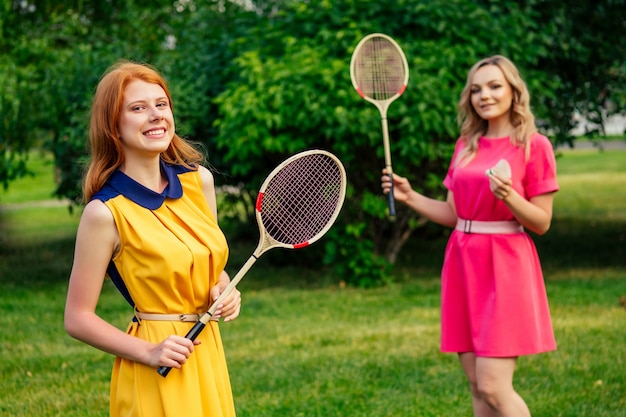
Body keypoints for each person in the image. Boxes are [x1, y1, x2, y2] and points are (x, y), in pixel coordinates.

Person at [382, 55, 558, 416]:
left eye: (495, 86)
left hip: (506, 265)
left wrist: (509, 196)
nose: (485, 95)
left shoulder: (533, 145)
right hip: (464, 263)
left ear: (513, 91)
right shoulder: (467, 144)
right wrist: (410, 196)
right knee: (478, 388)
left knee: (495, 386)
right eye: (476, 89)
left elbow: (541, 222)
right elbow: (455, 214)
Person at [64, 61, 241, 417]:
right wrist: (148, 352)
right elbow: (77, 317)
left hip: (205, 350)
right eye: (138, 108)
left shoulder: (198, 182)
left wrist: (224, 290)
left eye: (161, 105)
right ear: (113, 126)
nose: (156, 116)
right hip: (156, 358)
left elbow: (208, 267)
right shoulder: (105, 213)